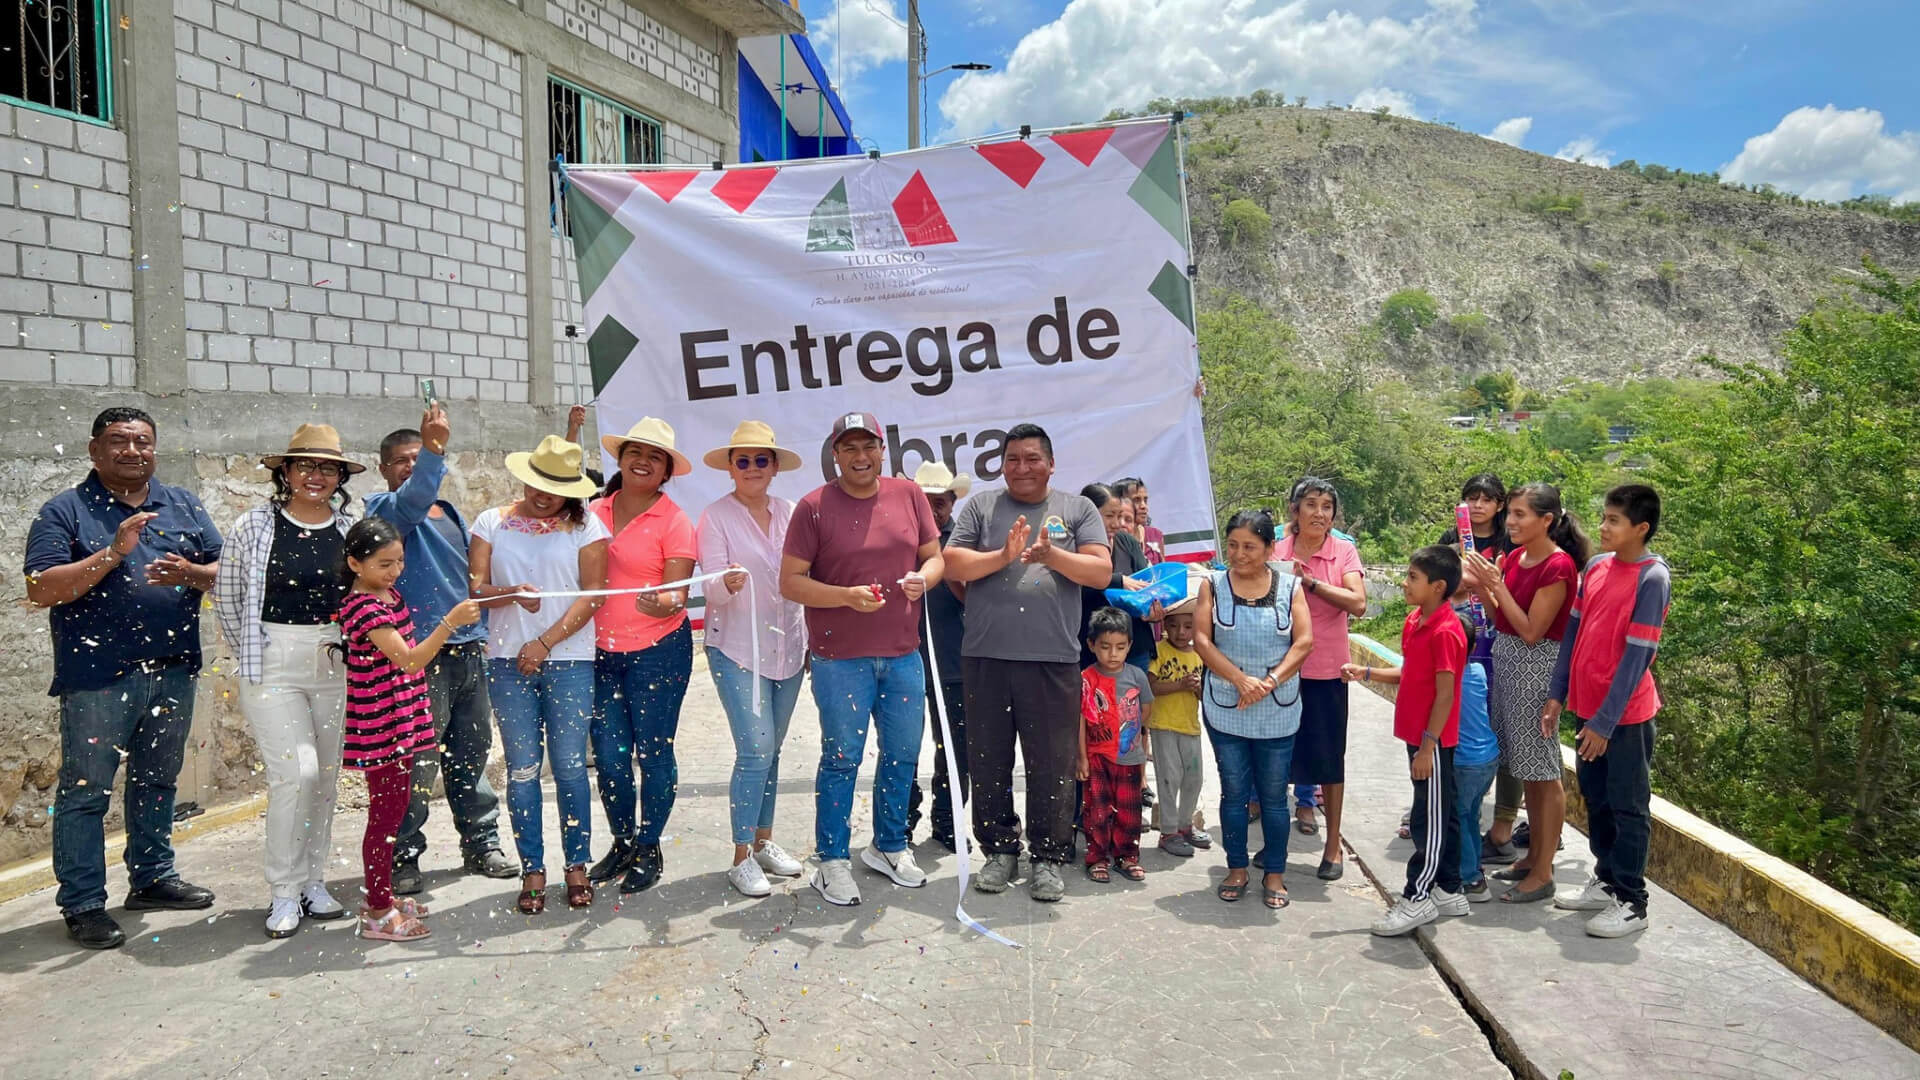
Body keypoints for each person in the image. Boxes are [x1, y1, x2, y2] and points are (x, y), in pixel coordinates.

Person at [25, 407, 222, 950]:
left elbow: (229, 572)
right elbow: (42, 589)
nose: (132, 451)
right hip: (98, 678)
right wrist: (112, 554)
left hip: (174, 670)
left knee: (157, 782)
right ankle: (85, 903)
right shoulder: (65, 512)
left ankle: (153, 878)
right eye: (118, 441)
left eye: (142, 441)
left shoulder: (181, 503)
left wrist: (192, 574)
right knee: (86, 793)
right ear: (94, 450)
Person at [780, 412, 945, 906]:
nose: (860, 457)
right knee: (841, 758)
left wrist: (926, 578)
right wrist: (844, 597)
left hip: (902, 654)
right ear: (835, 453)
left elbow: (934, 557)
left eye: (868, 446)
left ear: (881, 449)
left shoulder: (909, 495)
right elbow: (790, 582)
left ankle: (888, 845)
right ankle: (830, 860)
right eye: (849, 448)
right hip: (840, 659)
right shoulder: (813, 507)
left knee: (901, 756)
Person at [944, 423, 1112, 903]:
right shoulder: (981, 507)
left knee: (1052, 764)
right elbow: (954, 565)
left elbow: (1099, 569)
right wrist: (1003, 555)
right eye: (1013, 459)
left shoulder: (1076, 509)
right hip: (986, 658)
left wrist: (1052, 556)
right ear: (1002, 464)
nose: (1022, 467)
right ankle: (999, 851)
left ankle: (1047, 858)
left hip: (1052, 658)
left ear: (1051, 463)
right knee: (989, 759)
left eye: (1032, 458)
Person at [364, 406, 517, 894]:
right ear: (384, 468)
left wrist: (504, 603)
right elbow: (411, 502)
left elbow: (467, 583)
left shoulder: (451, 514)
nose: (411, 467)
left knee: (471, 756)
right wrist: (433, 449)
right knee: (417, 761)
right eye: (402, 461)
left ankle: (481, 843)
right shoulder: (384, 513)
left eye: (418, 458)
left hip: (469, 650)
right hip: (421, 656)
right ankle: (403, 857)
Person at [216, 423, 359, 939]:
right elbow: (229, 600)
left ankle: (313, 881)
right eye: (305, 466)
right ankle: (282, 889)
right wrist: (255, 652)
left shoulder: (351, 526)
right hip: (272, 659)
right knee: (293, 774)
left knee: (323, 777)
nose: (316, 476)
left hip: (333, 659)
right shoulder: (254, 526)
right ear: (286, 472)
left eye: (327, 467)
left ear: (340, 476)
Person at [469, 436, 610, 914]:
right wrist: (509, 592)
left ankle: (576, 865)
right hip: (506, 662)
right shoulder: (492, 522)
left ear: (573, 488)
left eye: (555, 485)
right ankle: (533, 867)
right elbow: (476, 592)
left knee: (570, 767)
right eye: (536, 481)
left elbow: (593, 596)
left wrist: (544, 642)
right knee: (523, 768)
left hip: (569, 659)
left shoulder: (587, 527)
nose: (542, 493)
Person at [334, 518, 484, 941]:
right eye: (383, 563)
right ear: (354, 563)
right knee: (384, 819)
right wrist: (450, 623)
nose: (394, 571)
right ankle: (378, 911)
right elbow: (411, 660)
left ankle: (381, 897)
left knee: (395, 811)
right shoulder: (363, 606)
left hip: (401, 717)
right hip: (382, 723)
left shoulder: (387, 593)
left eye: (399, 561)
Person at [1546, 484, 1670, 938]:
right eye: (1603, 517)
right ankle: (1606, 879)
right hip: (1587, 708)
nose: (1603, 526)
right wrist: (1558, 695)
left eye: (1614, 521)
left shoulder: (1651, 578)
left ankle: (1632, 900)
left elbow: (1637, 658)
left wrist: (1604, 722)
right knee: (1595, 798)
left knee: (1628, 805)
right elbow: (1572, 637)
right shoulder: (1597, 567)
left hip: (1625, 717)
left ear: (1641, 528)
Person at [695, 421, 809, 898]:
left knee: (773, 750)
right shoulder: (715, 517)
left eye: (761, 460)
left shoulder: (793, 513)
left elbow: (810, 572)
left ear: (775, 466)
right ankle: (740, 855)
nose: (752, 468)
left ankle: (763, 842)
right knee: (756, 748)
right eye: (742, 461)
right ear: (730, 468)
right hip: (737, 647)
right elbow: (710, 586)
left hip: (791, 647)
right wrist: (727, 584)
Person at [1462, 483, 1589, 903]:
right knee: (1523, 767)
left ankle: (1544, 869)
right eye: (1511, 514)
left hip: (1537, 669)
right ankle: (1532, 856)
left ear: (1547, 521)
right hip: (1509, 661)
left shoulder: (1558, 566)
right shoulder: (1516, 557)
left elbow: (1534, 631)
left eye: (1520, 514)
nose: (1511, 522)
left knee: (1542, 770)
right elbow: (1503, 620)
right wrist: (1484, 587)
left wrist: (1496, 584)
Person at [587, 418, 699, 895]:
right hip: (597, 653)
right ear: (620, 457)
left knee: (653, 754)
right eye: (636, 451)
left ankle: (650, 843)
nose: (643, 461)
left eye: (655, 456)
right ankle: (622, 840)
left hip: (659, 652)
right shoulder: (591, 511)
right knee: (611, 758)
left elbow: (677, 591)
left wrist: (667, 600)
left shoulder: (675, 521)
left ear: (667, 470)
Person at [1346, 545, 1471, 936]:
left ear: (1437, 587)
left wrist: (1429, 746)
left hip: (1430, 741)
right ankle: (1449, 889)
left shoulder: (1448, 631)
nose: (1405, 582)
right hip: (1417, 736)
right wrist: (1366, 672)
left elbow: (1446, 694)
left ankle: (1418, 896)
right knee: (1440, 812)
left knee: (1427, 821)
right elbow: (1409, 673)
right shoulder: (1416, 620)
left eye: (1413, 578)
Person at [1192, 510, 1314, 909]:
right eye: (1232, 545)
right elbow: (1202, 641)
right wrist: (1241, 681)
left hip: (1277, 706)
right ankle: (1237, 867)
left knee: (1276, 797)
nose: (1239, 554)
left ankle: (1275, 873)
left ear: (1268, 548)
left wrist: (1270, 682)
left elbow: (1303, 643)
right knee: (1234, 794)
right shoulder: (1213, 585)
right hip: (1228, 705)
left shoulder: (1291, 587)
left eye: (1249, 546)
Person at [1273, 477, 1367, 881]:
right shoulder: (1275, 549)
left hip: (1327, 669)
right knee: (1275, 759)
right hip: (1277, 670)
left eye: (1327, 506)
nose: (1319, 513)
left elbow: (1358, 603)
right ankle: (1275, 847)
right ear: (1294, 510)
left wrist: (1309, 582)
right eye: (1311, 504)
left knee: (1330, 760)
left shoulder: (1343, 551)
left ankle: (1333, 849)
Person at [1439, 473, 1522, 861]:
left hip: (1501, 642)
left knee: (1503, 733)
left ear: (1500, 505)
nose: (1478, 506)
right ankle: (1452, 806)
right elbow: (1436, 584)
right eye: (1471, 498)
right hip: (1460, 644)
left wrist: (1484, 583)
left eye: (1487, 499)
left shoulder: (1513, 543)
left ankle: (1504, 820)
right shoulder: (1451, 540)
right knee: (1459, 721)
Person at [903, 461, 973, 853]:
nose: (933, 510)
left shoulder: (963, 541)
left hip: (954, 661)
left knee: (956, 746)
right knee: (904, 745)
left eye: (940, 502)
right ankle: (902, 821)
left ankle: (948, 822)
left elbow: (976, 599)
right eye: (925, 502)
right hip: (905, 659)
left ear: (951, 502)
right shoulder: (899, 539)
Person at [1080, 607, 1155, 882]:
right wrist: (1081, 758)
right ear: (1091, 645)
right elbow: (1080, 720)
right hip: (1097, 755)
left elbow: (1145, 712)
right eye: (1105, 647)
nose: (1113, 654)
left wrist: (1137, 749)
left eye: (1120, 647)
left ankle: (1127, 855)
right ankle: (1097, 858)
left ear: (1130, 646)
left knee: (1130, 810)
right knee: (1097, 810)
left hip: (1130, 757)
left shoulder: (1137, 676)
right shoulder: (1087, 678)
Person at [1147, 595, 1209, 856]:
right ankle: (1168, 831)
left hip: (1190, 726)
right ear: (1164, 627)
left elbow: (1205, 694)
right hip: (1163, 725)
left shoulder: (1200, 654)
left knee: (1194, 777)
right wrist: (1180, 685)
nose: (1181, 632)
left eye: (1187, 626)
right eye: (1173, 626)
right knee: (1169, 778)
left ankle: (1185, 826)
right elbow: (1150, 686)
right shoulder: (1159, 650)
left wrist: (1196, 689)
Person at [1078, 484, 1159, 670]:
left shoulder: (1127, 542)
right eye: (1109, 516)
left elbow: (1145, 584)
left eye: (1119, 515)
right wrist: (1119, 581)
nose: (1116, 523)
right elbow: (1079, 585)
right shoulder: (1073, 547)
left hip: (1134, 649)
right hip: (1090, 652)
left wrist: (1152, 610)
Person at [1450, 619, 1498, 902]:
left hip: (1465, 762)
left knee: (1460, 816)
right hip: (1488, 757)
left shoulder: (1447, 680)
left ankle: (1471, 879)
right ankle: (1473, 867)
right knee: (1472, 815)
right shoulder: (1478, 670)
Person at [1110, 477, 1165, 565]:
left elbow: (1162, 572)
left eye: (1145, 500)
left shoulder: (1155, 534)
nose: (1143, 506)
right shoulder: (1111, 538)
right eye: (1136, 500)